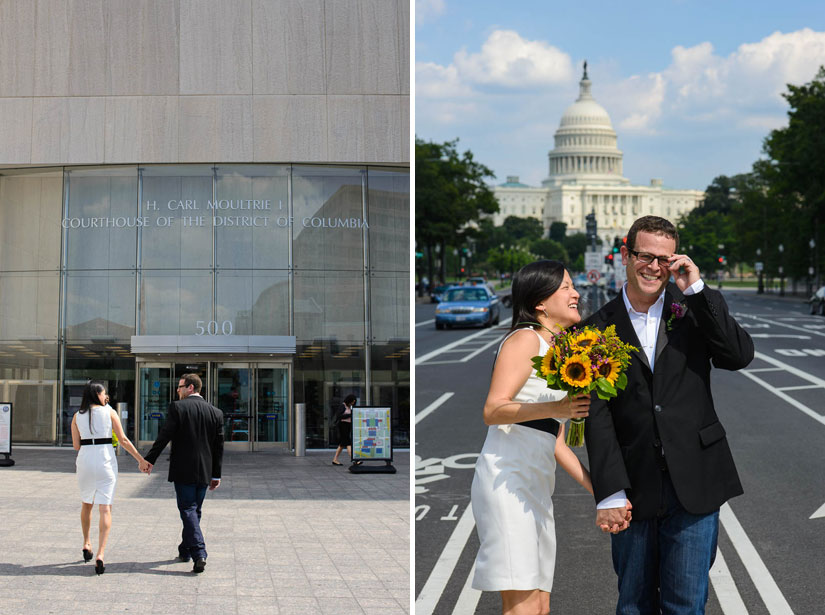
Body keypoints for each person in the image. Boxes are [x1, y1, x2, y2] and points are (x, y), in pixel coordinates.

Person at [584, 216, 754, 614]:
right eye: (645, 256)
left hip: (694, 480)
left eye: (665, 259)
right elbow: (597, 415)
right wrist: (608, 493)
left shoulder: (692, 312)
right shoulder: (594, 329)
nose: (654, 267)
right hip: (632, 485)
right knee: (634, 605)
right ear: (626, 255)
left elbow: (739, 355)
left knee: (686, 605)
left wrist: (695, 287)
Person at [470, 260, 606, 615]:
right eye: (565, 287)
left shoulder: (558, 350)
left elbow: (556, 440)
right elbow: (493, 410)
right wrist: (560, 404)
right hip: (507, 483)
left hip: (536, 488)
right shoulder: (525, 339)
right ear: (540, 302)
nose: (575, 293)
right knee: (524, 607)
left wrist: (601, 493)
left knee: (541, 605)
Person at [141, 373, 224, 574]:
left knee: (188, 509)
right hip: (204, 471)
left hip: (184, 469)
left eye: (179, 387)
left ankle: (199, 553)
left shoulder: (178, 408)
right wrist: (216, 475)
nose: (177, 390)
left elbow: (164, 436)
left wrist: (149, 459)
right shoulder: (216, 412)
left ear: (191, 388)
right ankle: (185, 550)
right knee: (194, 511)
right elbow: (218, 447)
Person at [71, 381, 147, 575]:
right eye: (104, 393)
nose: (106, 396)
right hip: (105, 459)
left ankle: (86, 542)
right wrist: (140, 460)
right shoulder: (110, 412)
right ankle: (100, 554)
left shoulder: (77, 416)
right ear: (98, 394)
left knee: (86, 503)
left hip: (85, 459)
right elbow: (123, 440)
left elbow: (76, 445)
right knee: (105, 507)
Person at [331, 394, 358, 466]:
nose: (353, 403)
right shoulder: (343, 406)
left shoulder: (350, 407)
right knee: (348, 442)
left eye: (354, 402)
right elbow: (339, 415)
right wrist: (350, 415)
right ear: (349, 400)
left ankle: (335, 459)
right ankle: (354, 460)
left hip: (348, 425)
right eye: (352, 401)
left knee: (342, 444)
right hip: (343, 425)